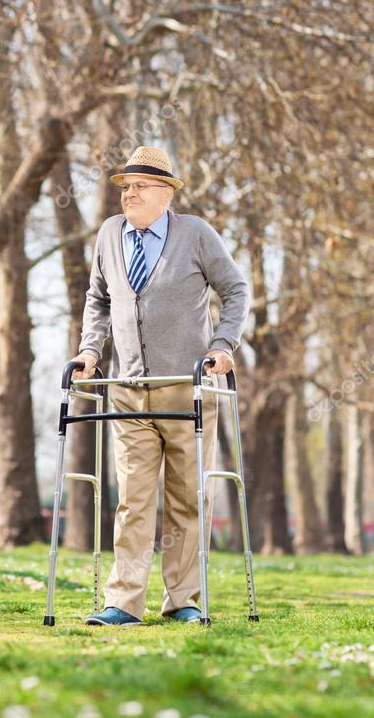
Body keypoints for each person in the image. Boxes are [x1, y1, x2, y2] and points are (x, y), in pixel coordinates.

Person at [73, 145, 250, 625]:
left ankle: (184, 600)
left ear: (166, 193)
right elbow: (99, 298)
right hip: (128, 387)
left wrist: (223, 344)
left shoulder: (195, 234)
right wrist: (91, 350)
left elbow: (235, 289)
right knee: (132, 499)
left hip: (186, 387)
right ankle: (123, 601)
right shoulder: (110, 234)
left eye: (140, 186)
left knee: (187, 498)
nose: (129, 193)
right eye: (125, 187)